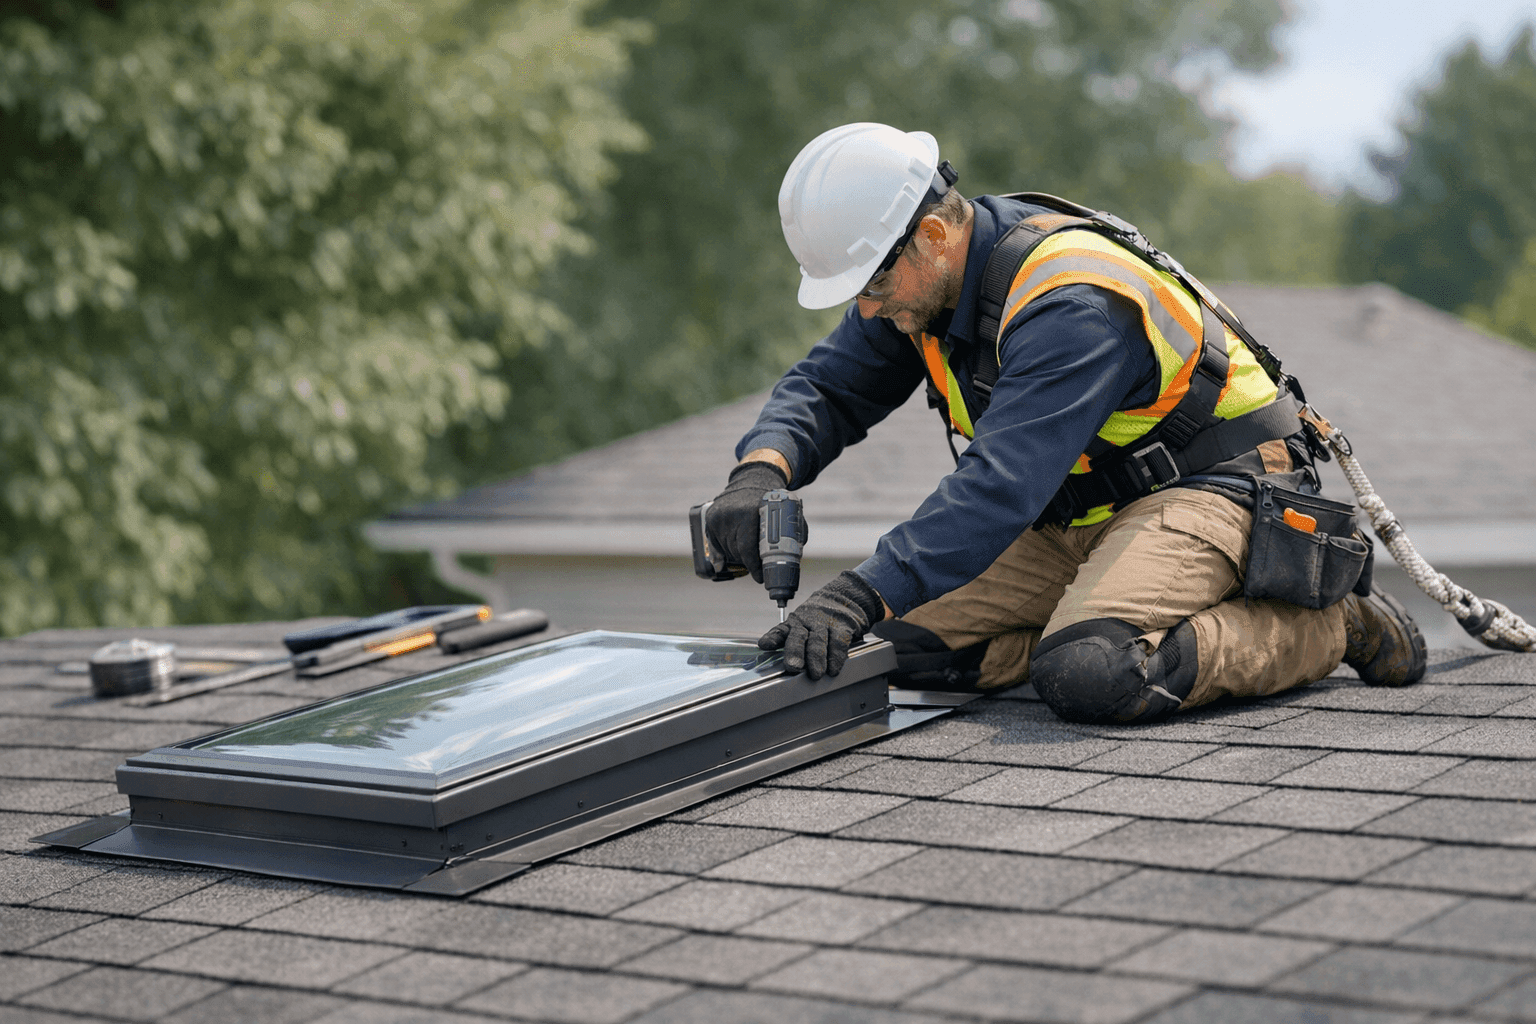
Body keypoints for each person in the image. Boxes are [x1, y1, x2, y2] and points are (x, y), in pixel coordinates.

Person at [701, 122, 1426, 723]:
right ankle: (1108, 607)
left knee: (1092, 670)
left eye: (872, 284)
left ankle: (1331, 626)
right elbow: (827, 388)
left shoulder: (1070, 302)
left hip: (1214, 487)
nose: (865, 309)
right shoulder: (918, 288)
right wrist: (757, 474)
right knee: (894, 650)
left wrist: (853, 594)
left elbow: (1000, 488)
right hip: (1087, 512)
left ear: (932, 234)